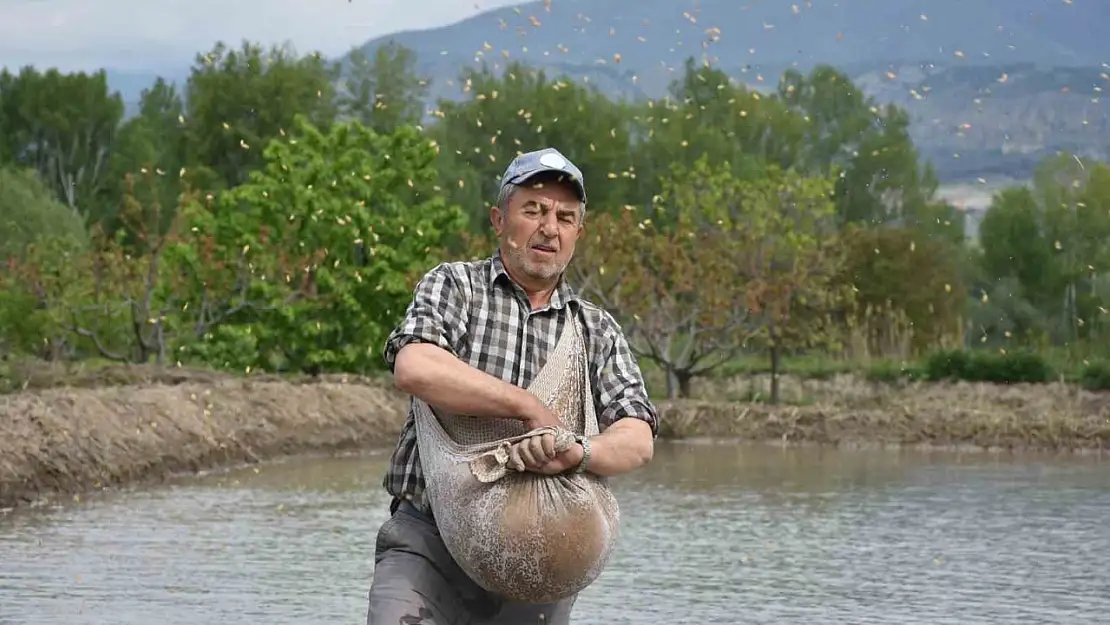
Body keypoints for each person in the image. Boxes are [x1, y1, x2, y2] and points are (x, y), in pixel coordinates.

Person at [366, 147, 659, 625]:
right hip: (430, 543)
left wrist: (578, 452)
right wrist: (525, 405)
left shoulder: (595, 330)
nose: (550, 228)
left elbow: (637, 438)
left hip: (541, 566)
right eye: (534, 210)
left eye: (565, 217)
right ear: (499, 219)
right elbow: (415, 366)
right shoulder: (455, 287)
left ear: (578, 235)